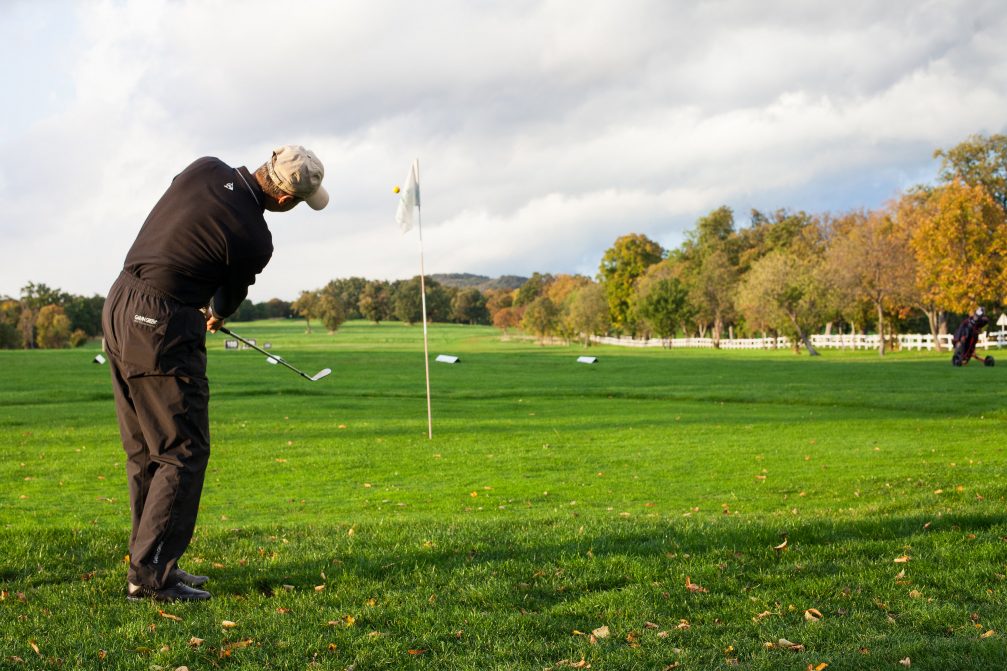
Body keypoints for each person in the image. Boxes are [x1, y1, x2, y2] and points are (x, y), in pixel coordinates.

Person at [101, 145, 329, 602]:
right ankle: (151, 578)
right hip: (163, 324)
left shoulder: (204, 167)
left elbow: (184, 222)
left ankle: (149, 564)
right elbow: (227, 297)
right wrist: (214, 312)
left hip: (120, 303)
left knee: (147, 449)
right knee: (182, 452)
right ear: (286, 201)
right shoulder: (254, 237)